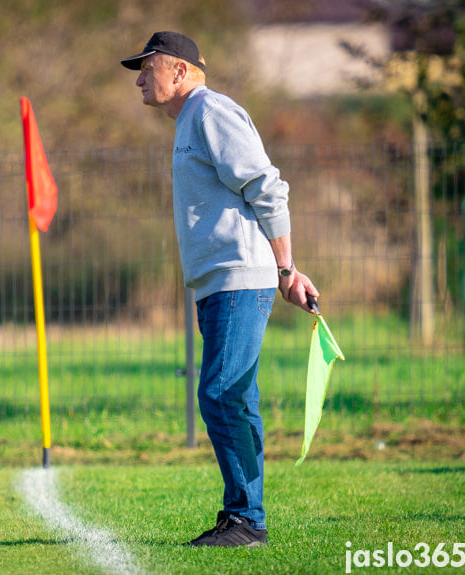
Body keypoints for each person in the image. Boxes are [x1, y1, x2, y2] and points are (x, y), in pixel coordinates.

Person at [121, 31, 320, 548]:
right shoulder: (189, 120)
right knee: (234, 396)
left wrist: (286, 270)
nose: (139, 79)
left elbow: (265, 186)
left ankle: (246, 521)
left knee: (221, 393)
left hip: (240, 277)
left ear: (181, 71)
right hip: (217, 284)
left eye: (148, 68)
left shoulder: (212, 111)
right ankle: (244, 517)